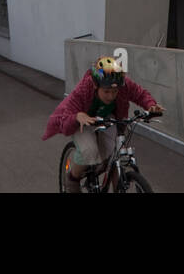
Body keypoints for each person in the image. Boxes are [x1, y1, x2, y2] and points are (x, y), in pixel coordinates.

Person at [43, 56, 164, 192]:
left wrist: (151, 105)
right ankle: (72, 178)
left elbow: (139, 93)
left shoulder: (122, 83)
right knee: (89, 151)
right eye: (106, 91)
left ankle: (116, 186)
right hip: (83, 120)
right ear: (96, 85)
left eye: (114, 91)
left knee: (115, 153)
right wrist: (77, 116)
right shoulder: (83, 90)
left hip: (108, 118)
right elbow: (65, 123)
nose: (111, 96)